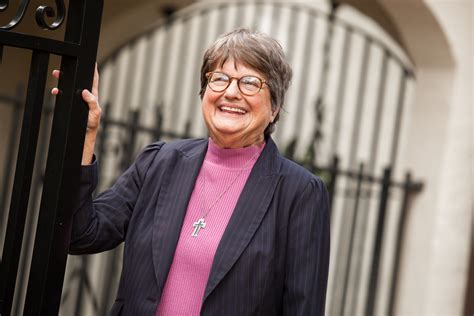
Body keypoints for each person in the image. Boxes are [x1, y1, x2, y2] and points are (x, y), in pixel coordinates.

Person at [56, 27, 330, 315]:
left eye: (250, 83)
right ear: (204, 92)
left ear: (275, 106)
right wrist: (84, 136)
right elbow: (79, 234)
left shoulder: (299, 193)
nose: (231, 92)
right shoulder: (159, 162)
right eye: (219, 79)